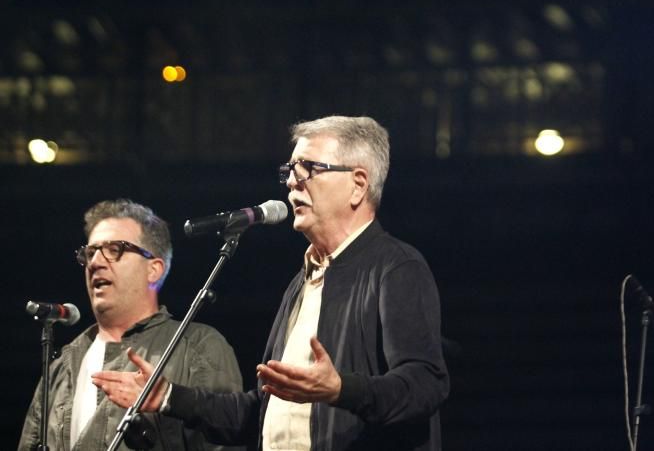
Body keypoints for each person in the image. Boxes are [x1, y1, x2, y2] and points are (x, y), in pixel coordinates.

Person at [94, 115, 450, 450]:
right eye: (290, 171)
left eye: (309, 168)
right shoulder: (301, 283)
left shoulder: (396, 267)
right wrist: (169, 397)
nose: (293, 181)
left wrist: (340, 389)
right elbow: (262, 412)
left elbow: (426, 384)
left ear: (358, 185)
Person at [18, 199, 244, 451]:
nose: (95, 263)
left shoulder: (199, 347)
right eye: (90, 253)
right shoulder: (62, 364)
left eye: (115, 249)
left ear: (154, 270)